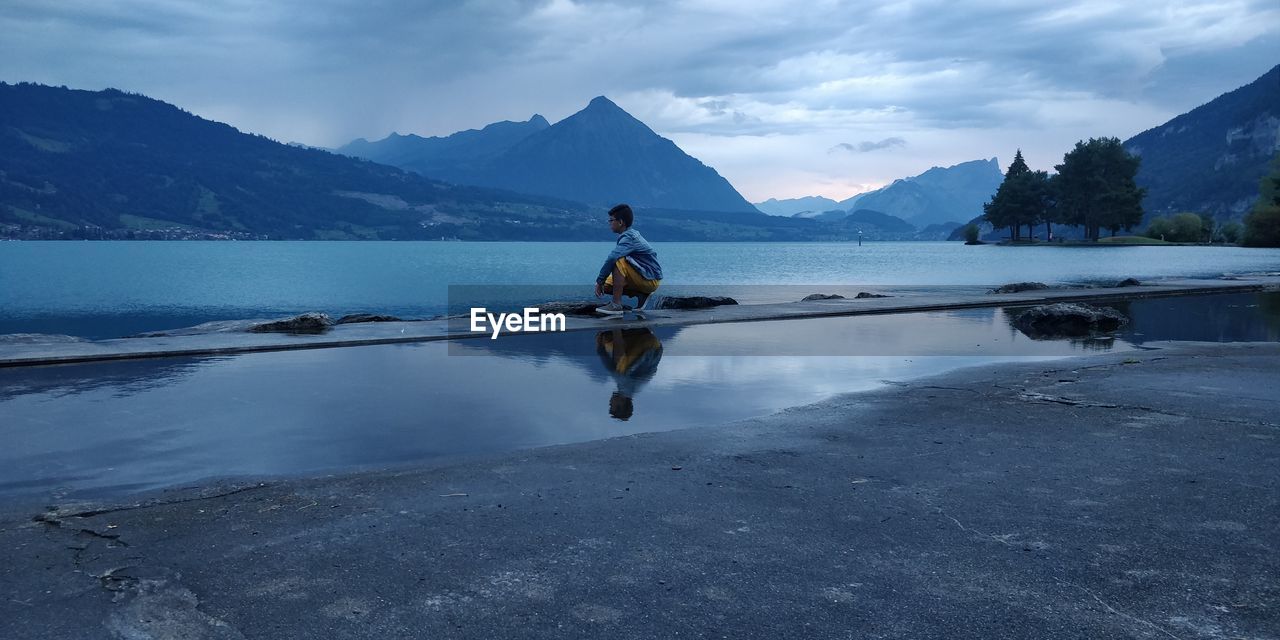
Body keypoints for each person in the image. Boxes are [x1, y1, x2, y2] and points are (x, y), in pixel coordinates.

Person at [594, 204, 662, 315]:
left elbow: (612, 258)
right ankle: (640, 295)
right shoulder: (628, 235)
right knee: (605, 287)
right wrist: (601, 283)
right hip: (643, 276)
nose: (609, 223)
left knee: (617, 261)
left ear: (620, 222)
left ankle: (616, 305)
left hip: (650, 279)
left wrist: (599, 280)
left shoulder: (629, 238)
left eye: (611, 220)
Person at [595, 328, 663, 420]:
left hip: (655, 346)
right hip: (649, 346)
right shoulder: (626, 388)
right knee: (620, 368)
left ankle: (642, 331)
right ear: (621, 403)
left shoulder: (634, 389)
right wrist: (600, 349)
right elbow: (612, 369)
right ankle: (617, 327)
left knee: (608, 342)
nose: (610, 402)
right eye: (612, 405)